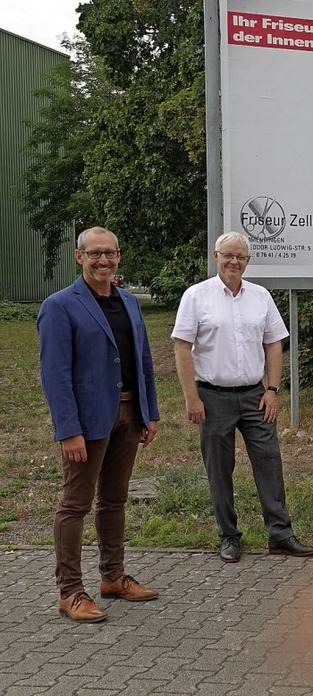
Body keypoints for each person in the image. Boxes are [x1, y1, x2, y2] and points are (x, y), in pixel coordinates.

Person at [37, 226, 160, 623]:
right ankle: (70, 591)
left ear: (118, 257)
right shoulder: (60, 305)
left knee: (114, 500)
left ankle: (113, 577)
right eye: (95, 254)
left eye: (109, 253)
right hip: (87, 422)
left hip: (128, 415)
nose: (103, 260)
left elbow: (143, 361)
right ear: (79, 257)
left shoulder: (128, 302)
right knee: (75, 504)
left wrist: (148, 412)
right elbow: (54, 374)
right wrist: (68, 429)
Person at [172, 232, 313, 563]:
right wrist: (191, 398)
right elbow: (182, 347)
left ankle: (280, 534)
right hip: (212, 398)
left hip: (256, 396)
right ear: (216, 256)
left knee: (269, 463)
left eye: (241, 257)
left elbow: (274, 343)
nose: (234, 261)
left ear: (248, 261)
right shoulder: (197, 296)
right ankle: (229, 536)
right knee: (220, 470)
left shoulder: (261, 297)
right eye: (228, 255)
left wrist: (273, 389)